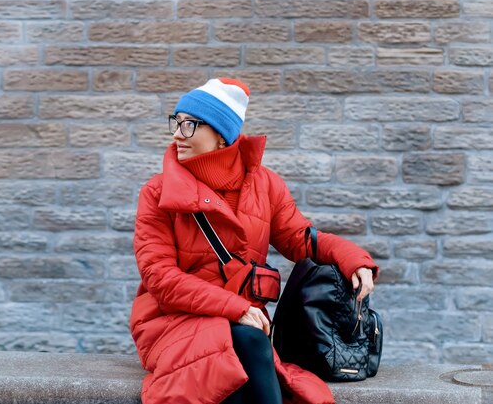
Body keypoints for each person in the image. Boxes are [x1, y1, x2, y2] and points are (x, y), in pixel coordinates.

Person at [130, 78, 378, 404]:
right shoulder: (157, 193)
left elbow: (301, 239)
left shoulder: (264, 185)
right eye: (176, 123)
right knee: (229, 357)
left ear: (220, 135)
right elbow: (160, 279)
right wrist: (235, 307)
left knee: (245, 346)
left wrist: (353, 259)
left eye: (189, 124)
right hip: (172, 320)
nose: (177, 134)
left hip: (244, 323)